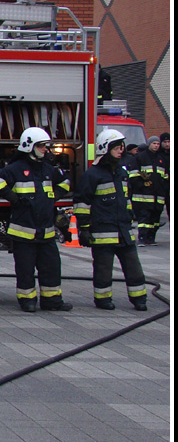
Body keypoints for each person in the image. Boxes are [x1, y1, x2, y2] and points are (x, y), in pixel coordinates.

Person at [0, 127, 73, 312]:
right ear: (29, 146)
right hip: (23, 230)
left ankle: (52, 301)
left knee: (51, 266)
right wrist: (14, 198)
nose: (45, 150)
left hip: (46, 231)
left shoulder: (48, 170)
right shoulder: (16, 169)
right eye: (41, 146)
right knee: (25, 269)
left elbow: (66, 181)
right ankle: (27, 300)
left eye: (46, 146)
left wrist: (56, 195)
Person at [74, 129, 147, 311]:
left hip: (124, 230)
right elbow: (82, 202)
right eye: (116, 147)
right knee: (103, 269)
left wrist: (131, 220)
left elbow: (125, 200)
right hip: (103, 232)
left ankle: (139, 299)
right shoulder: (92, 175)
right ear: (105, 148)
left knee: (134, 268)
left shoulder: (122, 173)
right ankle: (103, 299)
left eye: (121, 147)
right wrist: (84, 228)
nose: (120, 150)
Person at [132, 135, 168, 245]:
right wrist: (142, 184)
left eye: (158, 144)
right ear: (149, 144)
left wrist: (164, 188)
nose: (156, 146)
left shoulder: (161, 159)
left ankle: (151, 238)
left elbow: (165, 176)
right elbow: (133, 175)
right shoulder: (140, 157)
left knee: (155, 219)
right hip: (143, 196)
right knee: (144, 219)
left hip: (158, 195)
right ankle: (142, 238)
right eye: (154, 143)